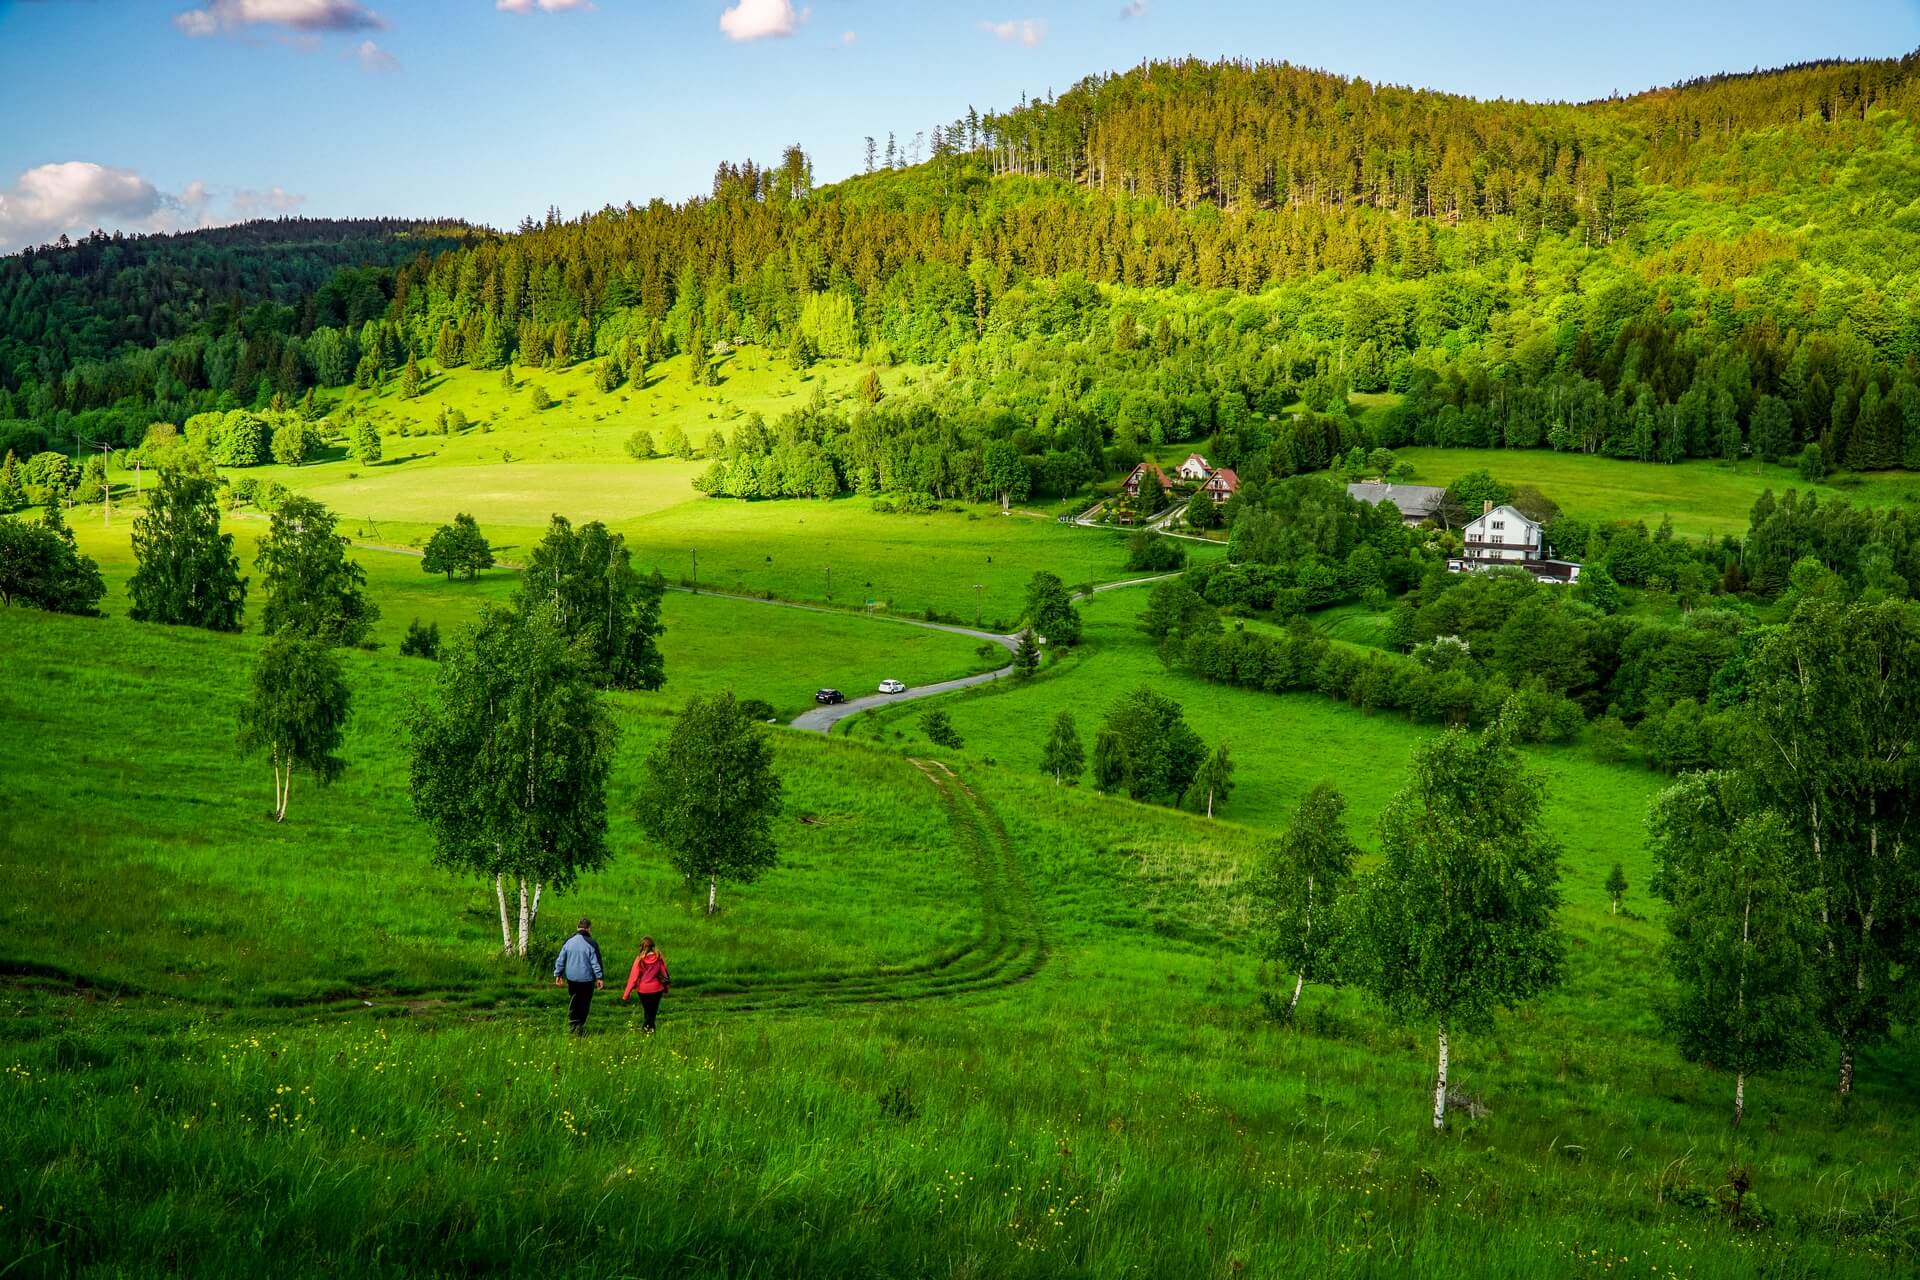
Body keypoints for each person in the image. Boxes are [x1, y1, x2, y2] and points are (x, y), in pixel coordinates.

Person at [552, 917, 604, 1035]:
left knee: (574, 1001)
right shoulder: (591, 943)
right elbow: (595, 963)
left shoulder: (568, 941)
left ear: (577, 927)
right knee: (584, 1003)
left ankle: (573, 1025)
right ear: (589, 928)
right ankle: (580, 1026)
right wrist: (599, 977)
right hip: (587, 979)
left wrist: (558, 974)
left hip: (572, 978)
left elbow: (561, 959)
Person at [622, 936, 670, 1033]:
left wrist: (626, 994)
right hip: (656, 989)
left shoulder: (639, 959)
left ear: (642, 946)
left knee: (647, 1010)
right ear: (653, 945)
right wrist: (666, 987)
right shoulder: (658, 957)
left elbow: (633, 978)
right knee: (652, 1012)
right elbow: (664, 973)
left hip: (643, 990)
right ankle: (649, 1030)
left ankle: (647, 1030)